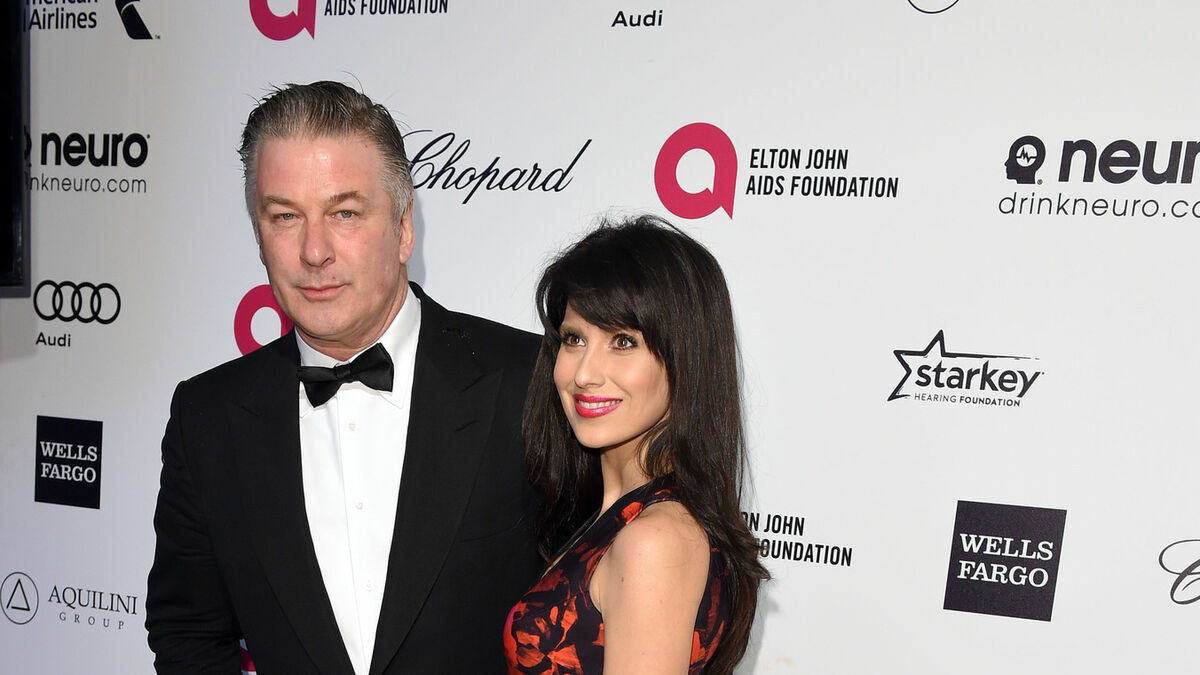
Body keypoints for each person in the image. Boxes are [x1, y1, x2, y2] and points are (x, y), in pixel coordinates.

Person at [145, 81, 541, 674]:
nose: (314, 251)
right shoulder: (208, 418)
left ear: (404, 228)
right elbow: (188, 633)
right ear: (259, 237)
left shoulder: (530, 383)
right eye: (285, 216)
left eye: (344, 213)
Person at [504, 216, 768, 675]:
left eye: (623, 341)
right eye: (574, 339)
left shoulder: (654, 539)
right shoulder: (617, 516)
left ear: (685, 359)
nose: (585, 373)